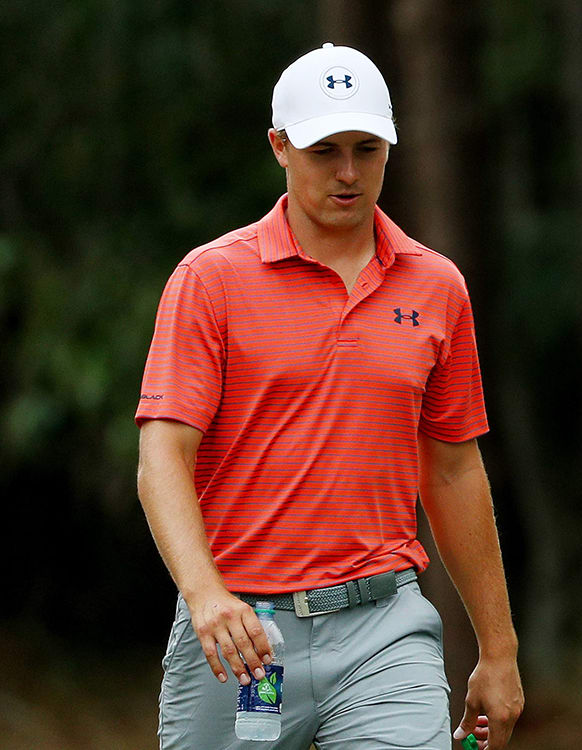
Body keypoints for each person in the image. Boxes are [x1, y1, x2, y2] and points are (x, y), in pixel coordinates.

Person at [136, 43, 522, 750]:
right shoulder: (211, 280)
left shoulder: (436, 288)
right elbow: (162, 454)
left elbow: (454, 469)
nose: (348, 173)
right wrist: (203, 594)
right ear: (280, 147)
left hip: (385, 627)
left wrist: (499, 650)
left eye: (366, 149)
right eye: (324, 151)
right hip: (246, 637)